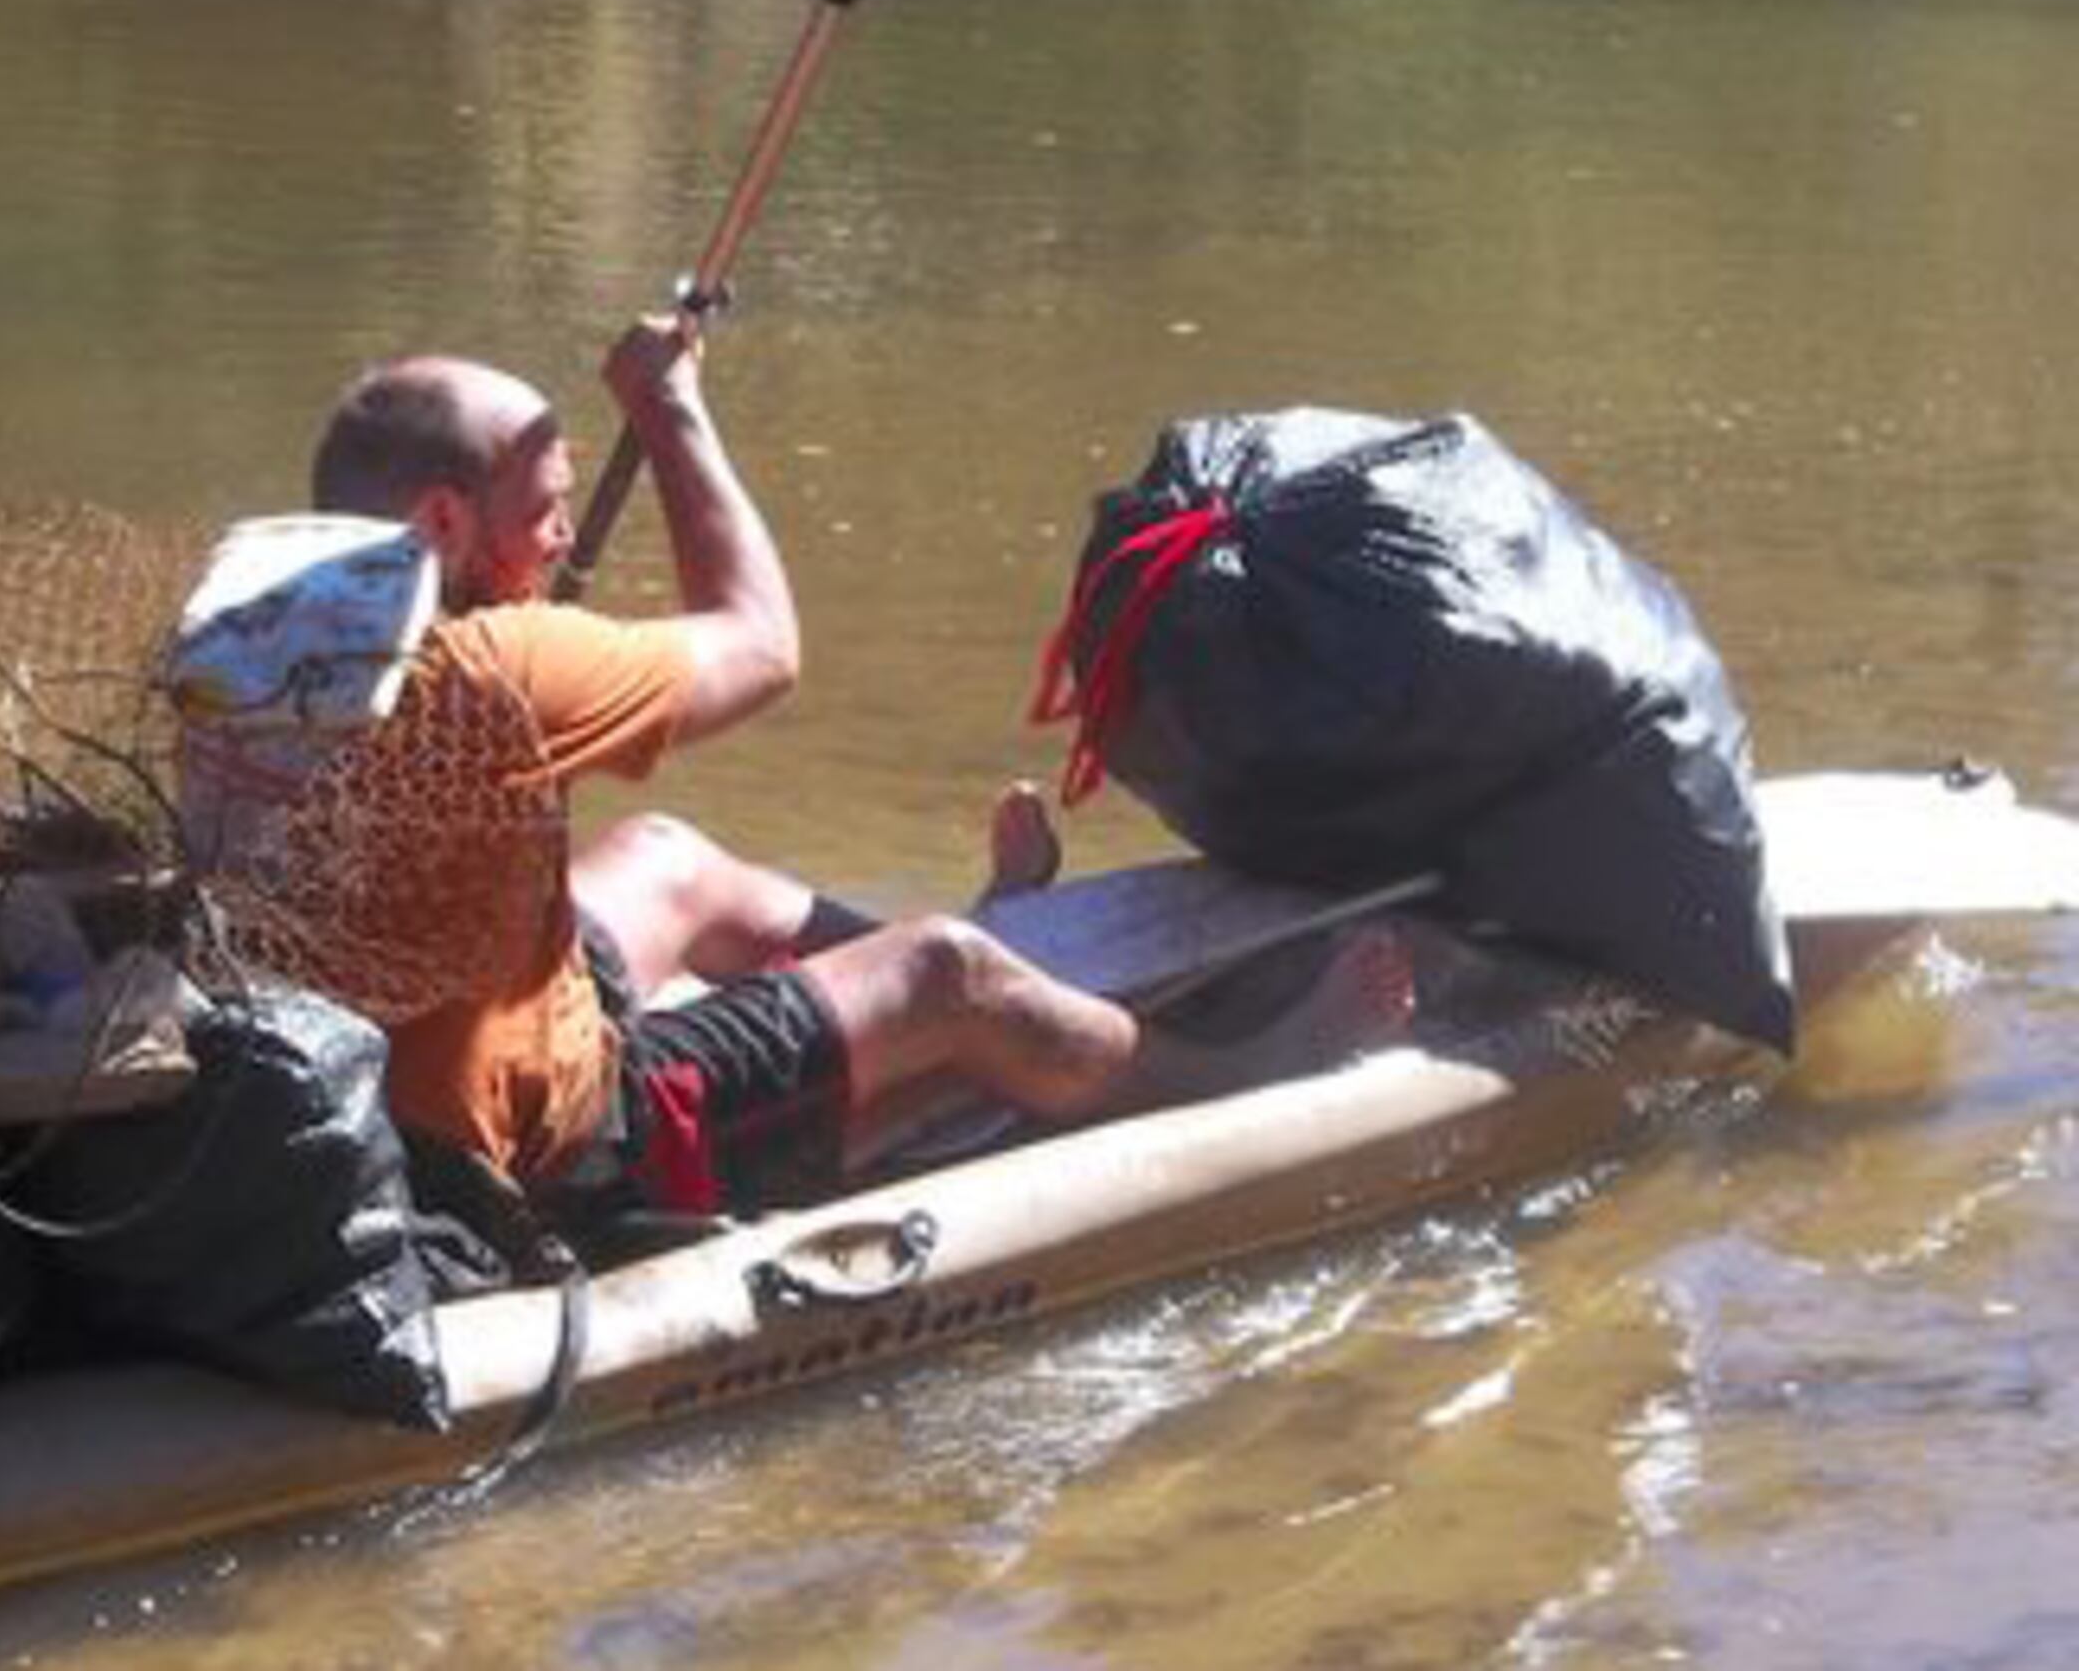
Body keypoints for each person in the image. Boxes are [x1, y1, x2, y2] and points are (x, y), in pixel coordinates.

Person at [238, 320, 1406, 1219]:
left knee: (668, 857)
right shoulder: (496, 668)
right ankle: (1240, 1070)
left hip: (405, 1053)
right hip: (543, 1144)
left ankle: (978, 962)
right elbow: (763, 646)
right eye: (543, 508)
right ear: (443, 521)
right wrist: (670, 413)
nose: (559, 533)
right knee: (945, 971)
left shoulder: (262, 629)